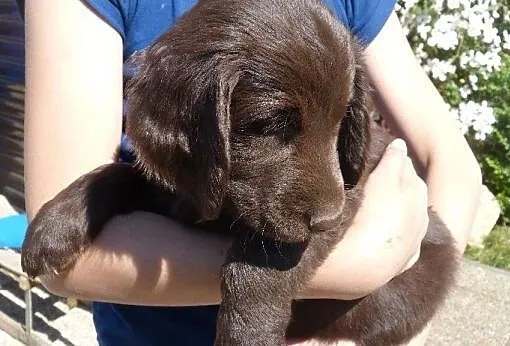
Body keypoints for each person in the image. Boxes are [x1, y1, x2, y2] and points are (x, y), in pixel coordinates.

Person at [22, 0, 482, 345]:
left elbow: (450, 162)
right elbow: (156, 188)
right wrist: (354, 265)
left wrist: (398, 333)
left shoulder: (340, 24)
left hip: (370, 319)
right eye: (269, 127)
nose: (327, 201)